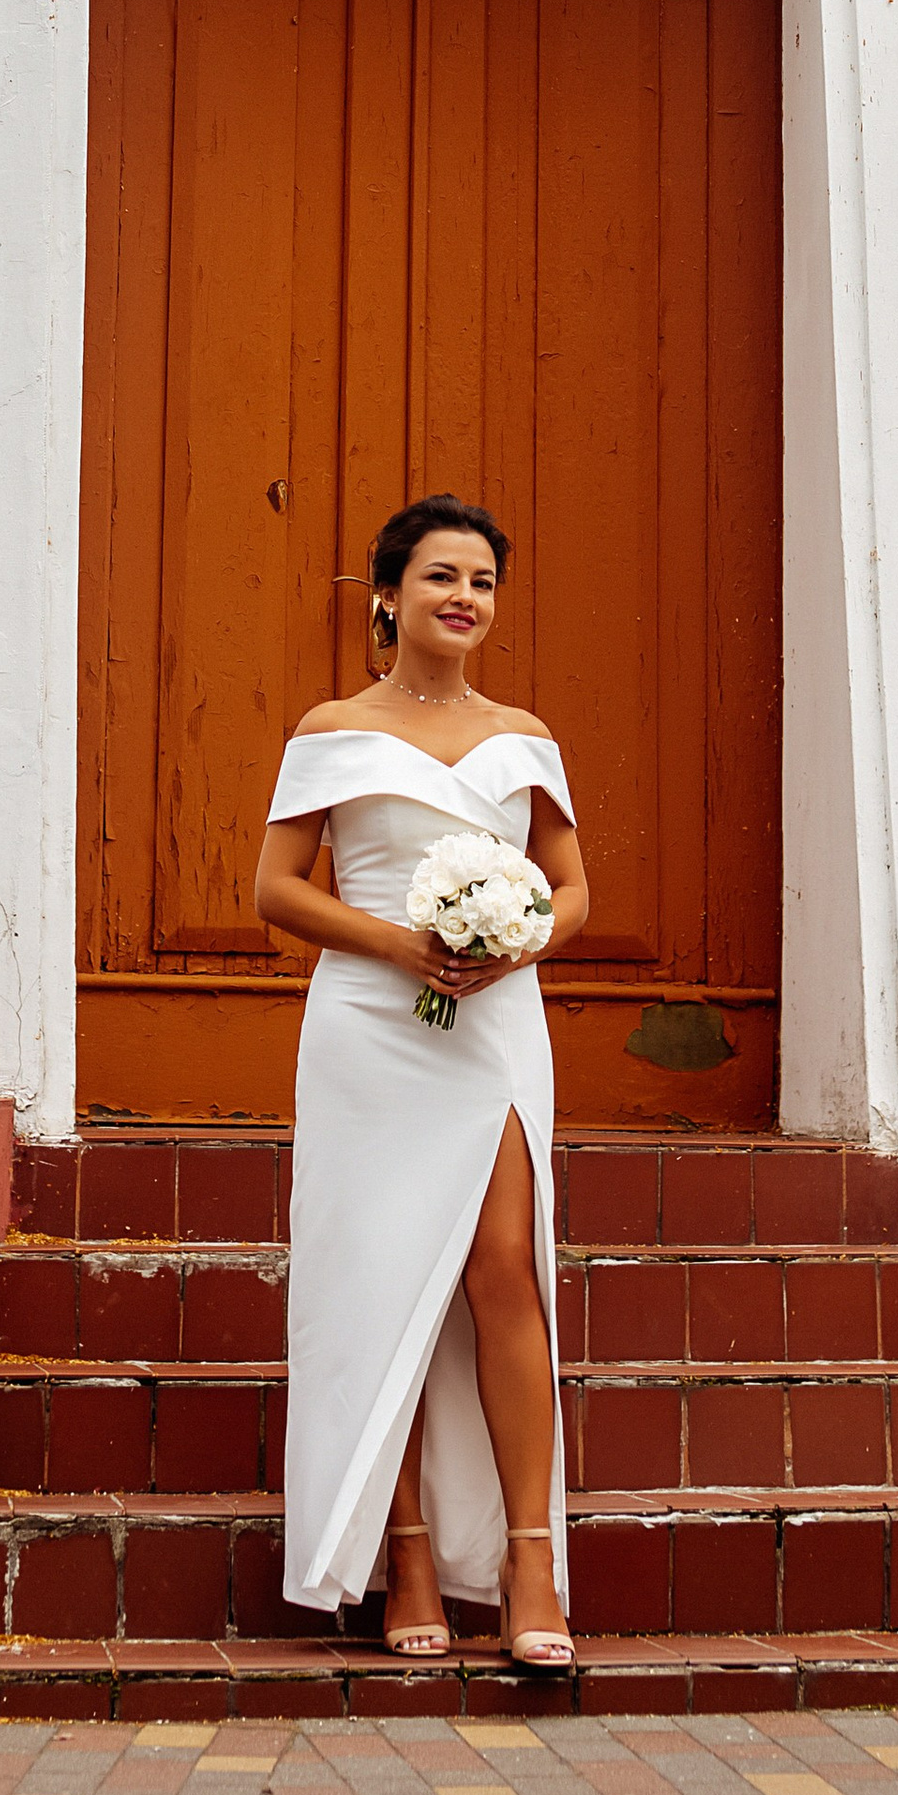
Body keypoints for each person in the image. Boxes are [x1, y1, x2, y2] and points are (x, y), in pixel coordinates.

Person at [253, 493, 588, 1671]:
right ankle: (402, 1555)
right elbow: (276, 888)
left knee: (503, 1269)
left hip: (491, 1022)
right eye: (442, 576)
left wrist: (517, 943)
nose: (464, 598)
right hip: (369, 1022)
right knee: (380, 1280)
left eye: (484, 582)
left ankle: (528, 1561)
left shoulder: (524, 736)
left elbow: (570, 884)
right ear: (387, 593)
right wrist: (400, 943)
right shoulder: (332, 727)